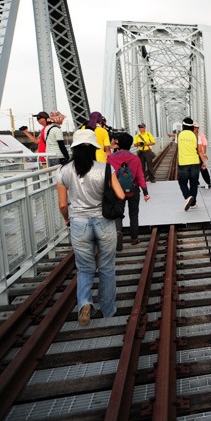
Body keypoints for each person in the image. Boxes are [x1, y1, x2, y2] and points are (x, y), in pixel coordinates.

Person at [56, 129, 125, 326]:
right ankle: (108, 310)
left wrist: (67, 219)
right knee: (106, 268)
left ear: (74, 149)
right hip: (103, 221)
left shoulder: (63, 171)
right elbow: (120, 195)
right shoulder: (105, 168)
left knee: (85, 269)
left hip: (78, 223)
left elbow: (62, 205)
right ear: (94, 148)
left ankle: (85, 303)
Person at [108, 132, 150, 250]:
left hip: (117, 190)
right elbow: (140, 176)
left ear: (118, 144)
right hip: (133, 189)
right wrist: (145, 192)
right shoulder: (135, 158)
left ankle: (118, 232)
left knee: (118, 213)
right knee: (133, 214)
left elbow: (108, 176)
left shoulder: (110, 158)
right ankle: (134, 238)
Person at [177, 117, 201, 211]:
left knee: (182, 182)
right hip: (195, 162)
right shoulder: (196, 135)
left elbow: (178, 146)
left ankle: (187, 197)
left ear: (183, 125)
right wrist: (203, 162)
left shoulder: (179, 135)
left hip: (183, 162)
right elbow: (199, 150)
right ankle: (193, 203)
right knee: (194, 183)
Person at [194, 123, 211, 188]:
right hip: (193, 154)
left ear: (198, 128)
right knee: (194, 169)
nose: (195, 128)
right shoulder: (191, 135)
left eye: (196, 127)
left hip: (200, 154)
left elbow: (204, 145)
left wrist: (204, 154)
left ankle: (208, 182)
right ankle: (195, 182)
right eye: (194, 127)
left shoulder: (201, 135)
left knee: (203, 168)